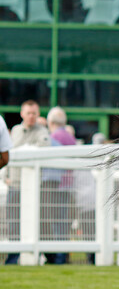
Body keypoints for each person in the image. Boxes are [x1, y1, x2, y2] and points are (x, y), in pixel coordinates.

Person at [5, 100, 50, 264]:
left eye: (34, 113)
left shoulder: (42, 131)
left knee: (33, 222)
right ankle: (13, 257)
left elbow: (43, 149)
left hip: (32, 188)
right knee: (13, 222)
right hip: (15, 184)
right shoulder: (15, 131)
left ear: (38, 115)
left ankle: (33, 256)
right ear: (22, 114)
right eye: (28, 113)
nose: (31, 116)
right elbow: (8, 153)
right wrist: (5, 177)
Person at [42, 107, 75, 264]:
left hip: (56, 186)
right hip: (69, 186)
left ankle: (58, 257)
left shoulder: (53, 137)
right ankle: (62, 255)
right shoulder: (70, 137)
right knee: (63, 222)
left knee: (55, 222)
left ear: (51, 122)